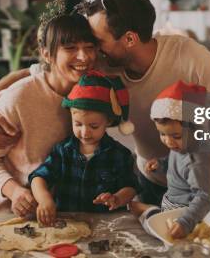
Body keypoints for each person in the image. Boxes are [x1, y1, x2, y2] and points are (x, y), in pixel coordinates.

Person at [0, 0, 210, 207]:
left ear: (129, 40)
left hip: (201, 180)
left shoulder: (188, 56)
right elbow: (39, 71)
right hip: (150, 179)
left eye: (96, 41)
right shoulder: (103, 61)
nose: (89, 52)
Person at [0, 12, 97, 215]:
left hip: (56, 210)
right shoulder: (18, 98)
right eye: (70, 48)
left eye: (89, 48)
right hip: (6, 210)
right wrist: (14, 192)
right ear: (47, 54)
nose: (83, 57)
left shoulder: (91, 91)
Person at [29, 70, 138, 225]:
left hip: (106, 226)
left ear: (108, 121)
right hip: (66, 224)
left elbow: (131, 186)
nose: (85, 132)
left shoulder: (119, 154)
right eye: (78, 124)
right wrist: (45, 200)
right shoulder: (62, 151)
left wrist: (117, 198)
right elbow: (38, 178)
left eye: (94, 126)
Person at [130, 81, 210, 239]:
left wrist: (185, 223)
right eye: (162, 134)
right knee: (135, 207)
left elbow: (203, 198)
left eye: (176, 136)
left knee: (151, 226)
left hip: (191, 216)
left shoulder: (197, 161)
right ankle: (150, 210)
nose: (168, 142)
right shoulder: (182, 147)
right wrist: (162, 164)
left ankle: (149, 211)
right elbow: (177, 165)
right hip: (174, 205)